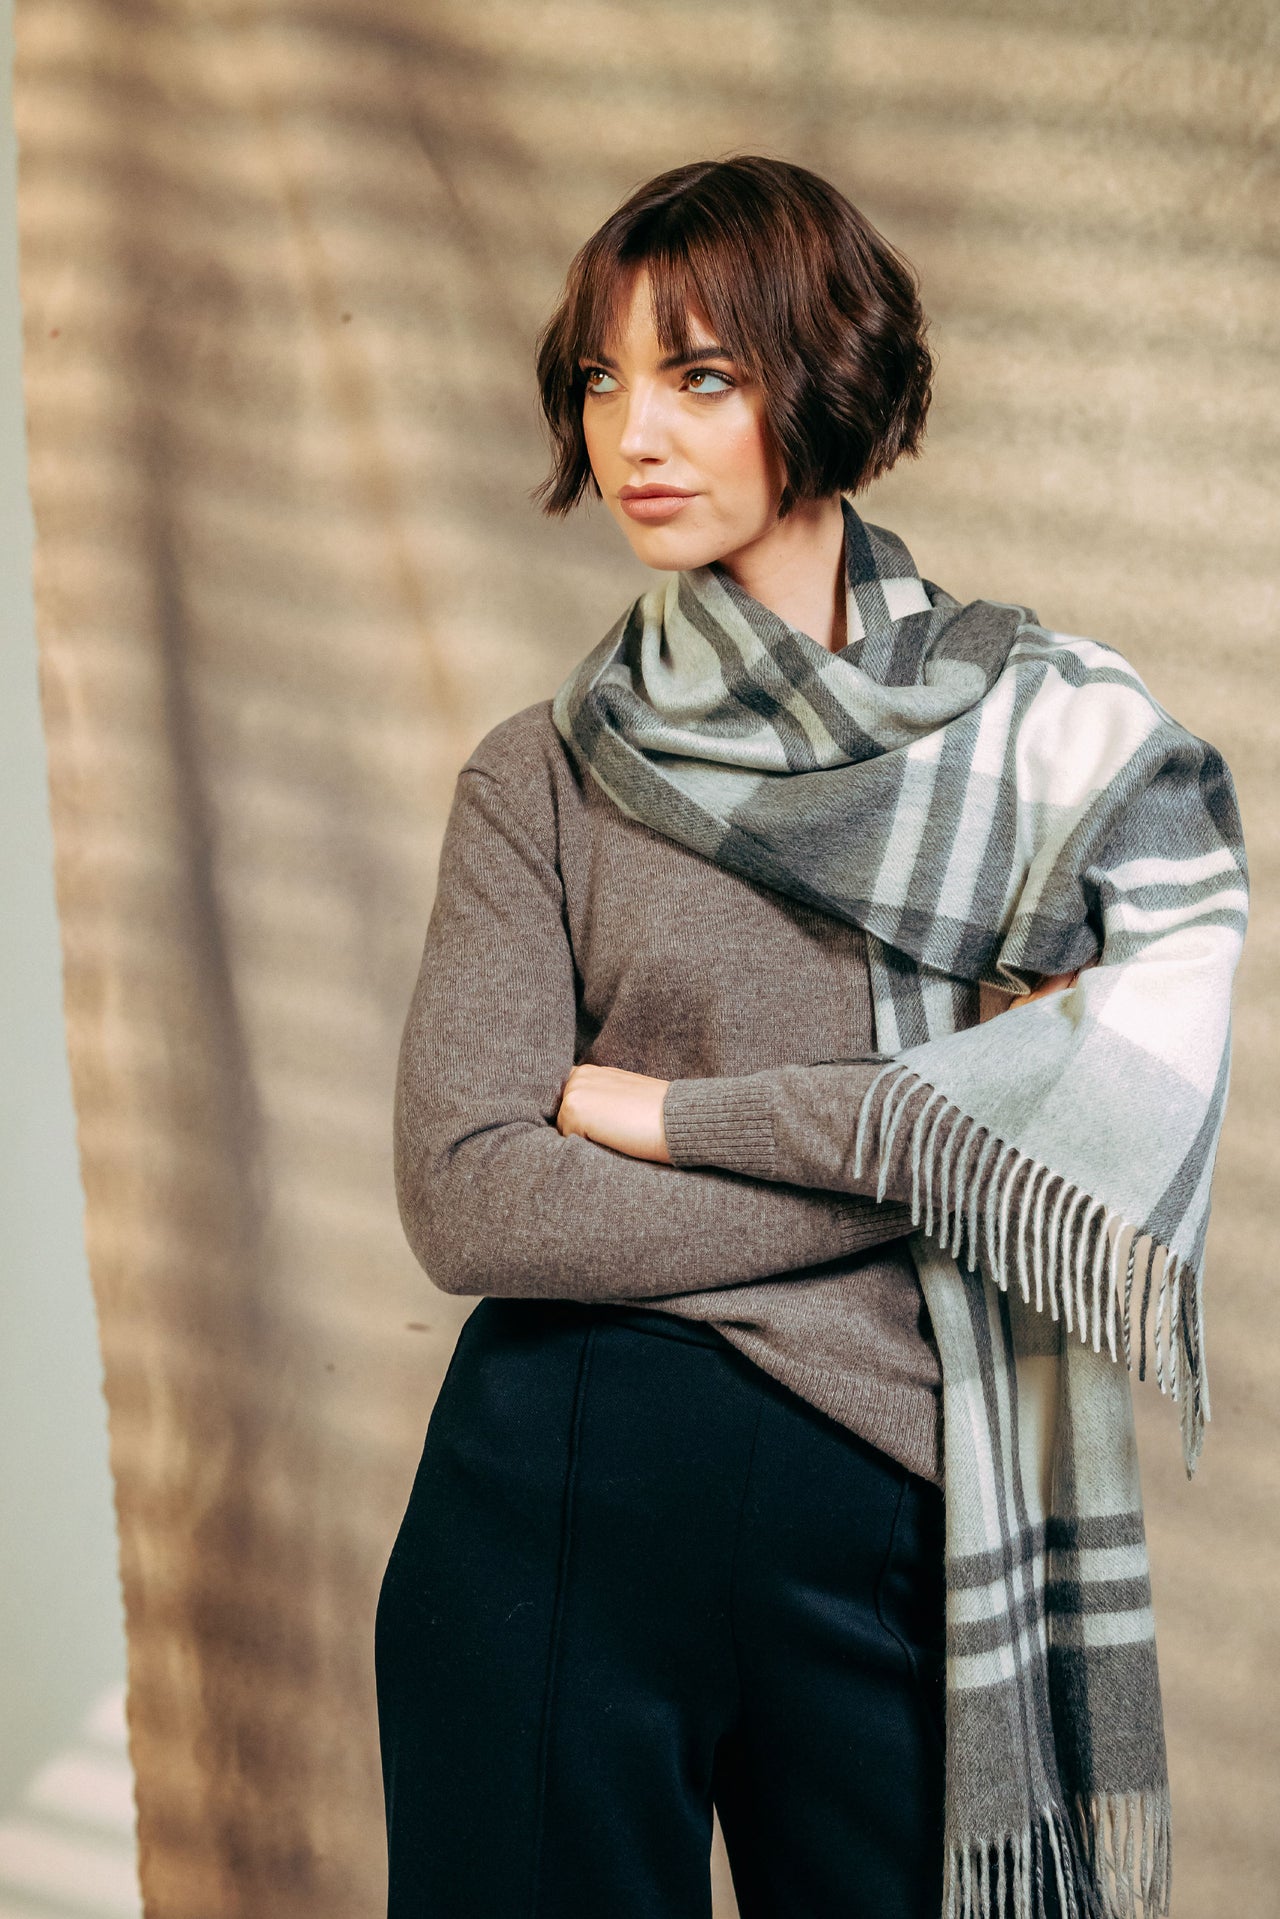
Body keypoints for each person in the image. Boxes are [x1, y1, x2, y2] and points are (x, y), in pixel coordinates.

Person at [376, 158, 1245, 1919]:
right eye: (605, 380)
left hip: (906, 1517)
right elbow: (473, 1198)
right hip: (560, 1497)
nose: (639, 433)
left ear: (824, 378)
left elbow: (1118, 1130)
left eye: (701, 376)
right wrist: (944, 1151)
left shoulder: (1057, 758)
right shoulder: (539, 775)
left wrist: (688, 1120)